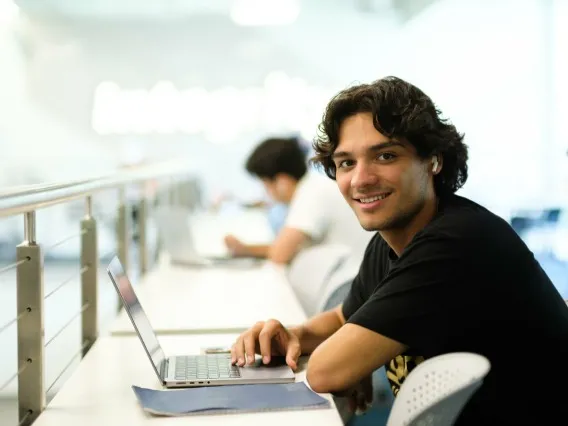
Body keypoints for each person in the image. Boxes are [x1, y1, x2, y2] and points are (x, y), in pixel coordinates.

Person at [230, 76, 568, 425]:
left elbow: (326, 373)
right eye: (346, 162)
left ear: (433, 161)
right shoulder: (391, 240)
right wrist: (295, 335)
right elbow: (343, 317)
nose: (361, 179)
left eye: (385, 155)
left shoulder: (457, 243)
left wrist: (350, 357)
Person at [224, 136, 372, 264]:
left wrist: (245, 250)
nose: (266, 192)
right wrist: (244, 249)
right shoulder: (313, 186)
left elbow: (279, 254)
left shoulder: (312, 193)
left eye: (265, 184)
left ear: (282, 180)